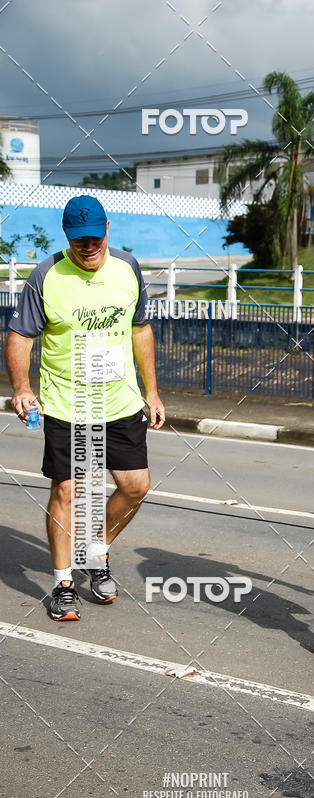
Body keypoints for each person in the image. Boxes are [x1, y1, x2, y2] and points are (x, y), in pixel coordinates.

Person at [5, 195, 165, 622]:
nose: (88, 246)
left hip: (120, 401)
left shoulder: (128, 268)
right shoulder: (46, 276)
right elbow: (20, 337)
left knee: (135, 486)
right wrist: (21, 388)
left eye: (95, 237)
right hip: (67, 403)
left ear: (107, 229)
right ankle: (62, 583)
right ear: (67, 235)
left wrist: (152, 391)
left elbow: (141, 328)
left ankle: (96, 551)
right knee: (68, 491)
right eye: (79, 240)